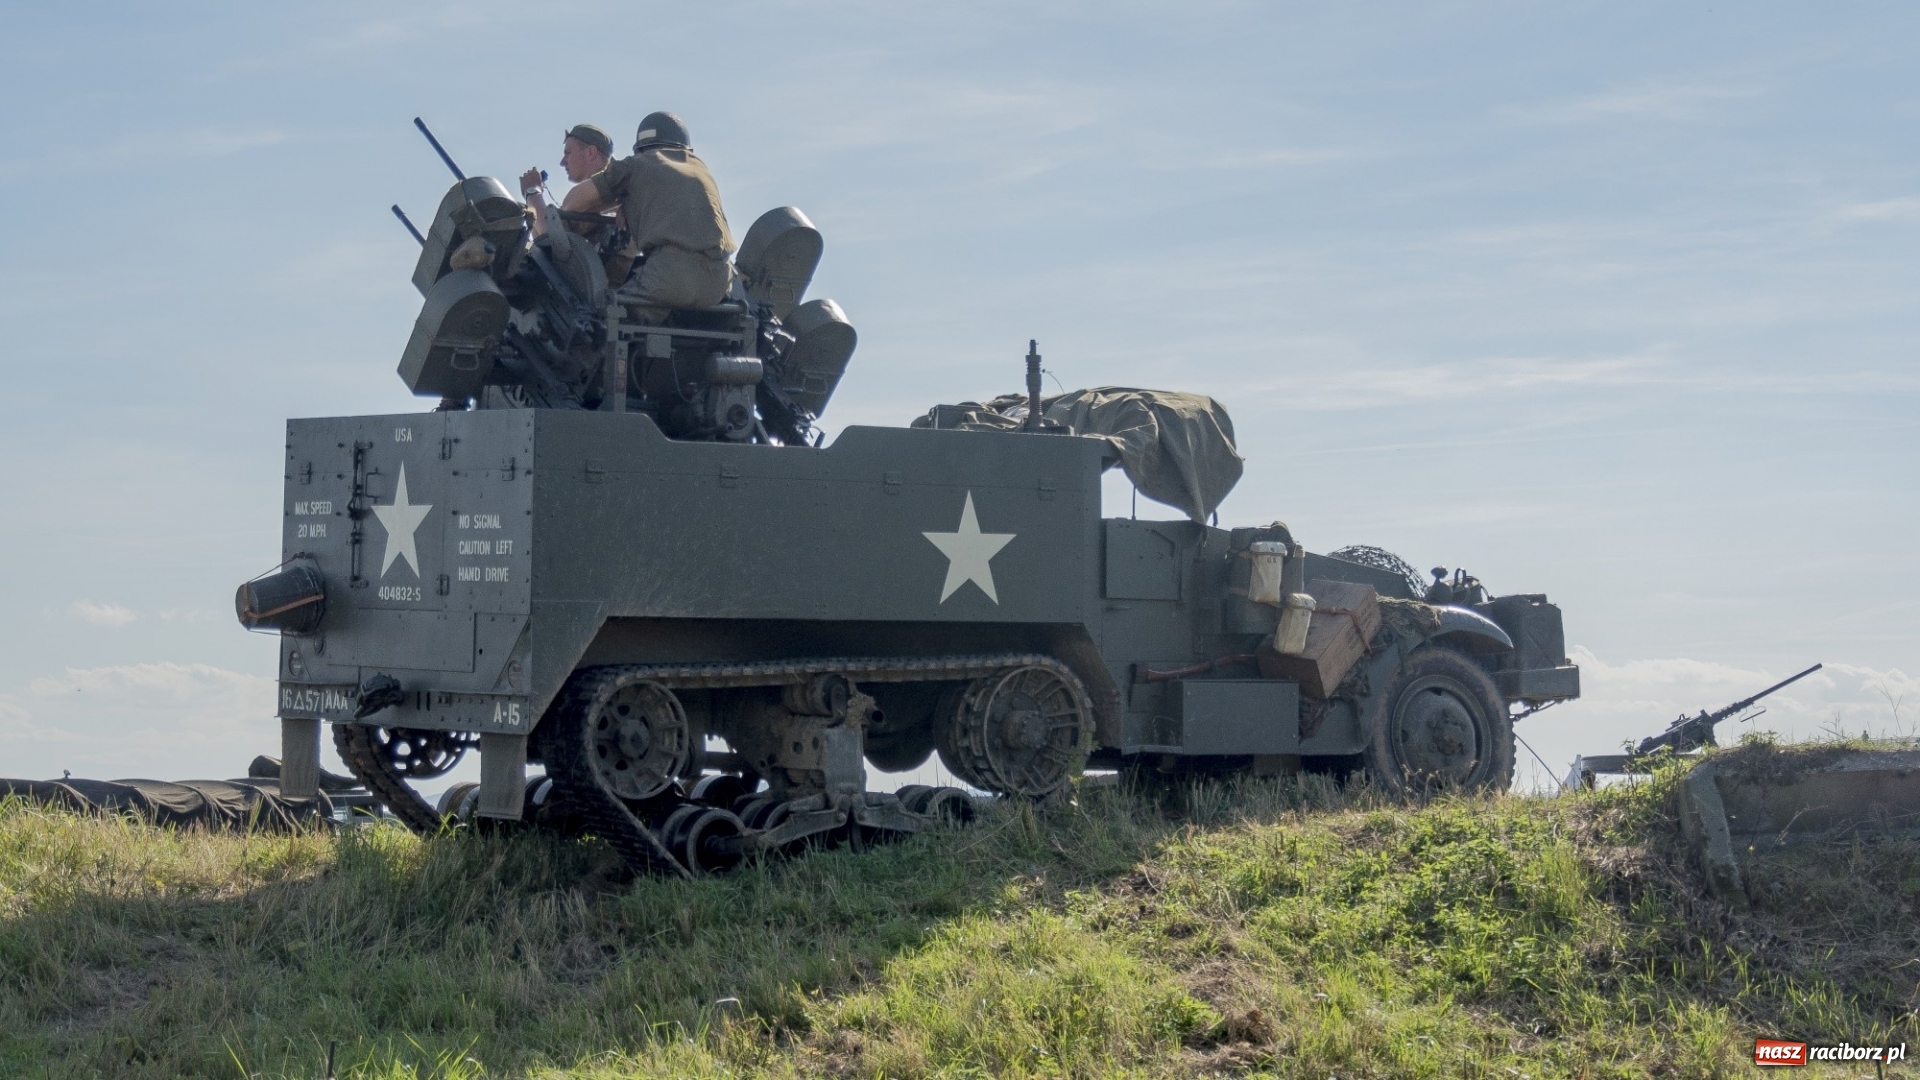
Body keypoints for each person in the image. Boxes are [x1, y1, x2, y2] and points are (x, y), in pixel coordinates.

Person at [555, 111, 735, 310]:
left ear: (642, 146)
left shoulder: (637, 164)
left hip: (670, 276)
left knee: (604, 315)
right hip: (718, 282)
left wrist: (624, 198)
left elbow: (571, 203)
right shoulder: (701, 169)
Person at [521, 124, 615, 240]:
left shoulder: (590, 194)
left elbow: (553, 237)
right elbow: (541, 241)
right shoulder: (617, 193)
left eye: (568, 152)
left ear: (590, 152)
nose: (562, 162)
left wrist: (532, 192)